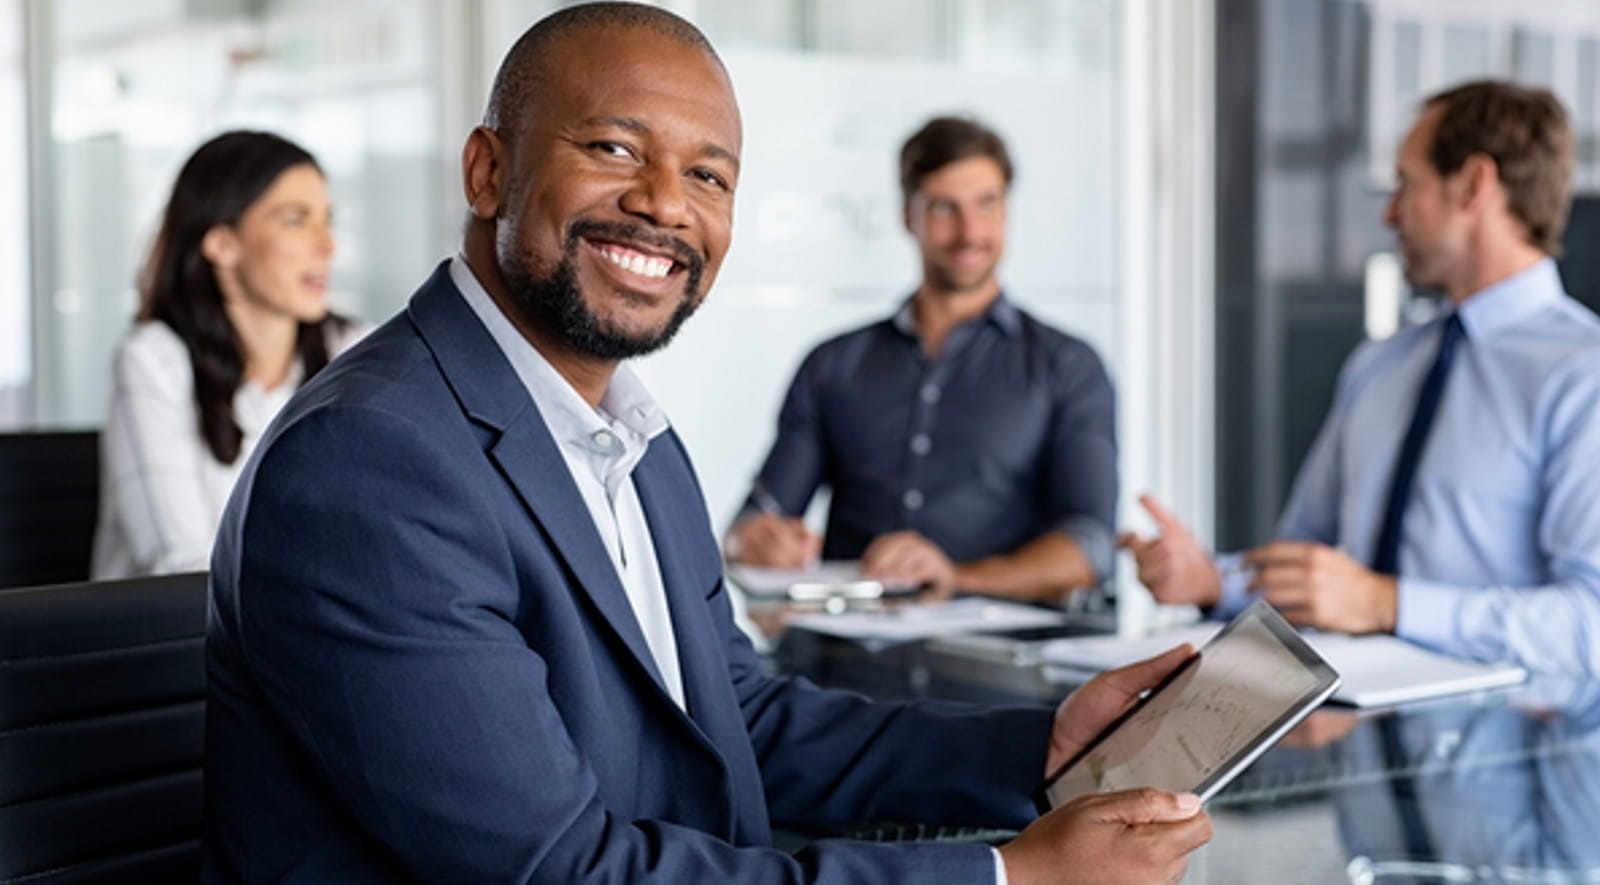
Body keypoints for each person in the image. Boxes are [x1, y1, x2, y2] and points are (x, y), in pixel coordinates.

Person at [203, 5, 1210, 882]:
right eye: (611, 149)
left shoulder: (629, 437)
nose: (666, 204)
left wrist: (1043, 749)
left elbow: (738, 721)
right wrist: (1004, 878)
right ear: (488, 169)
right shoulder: (372, 463)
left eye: (709, 176)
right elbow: (556, 871)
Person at [1122, 80, 1600, 677]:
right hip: (1352, 736)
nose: (1389, 212)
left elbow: (1590, 625)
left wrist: (1387, 604)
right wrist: (1210, 579)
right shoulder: (1381, 365)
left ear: (1475, 184)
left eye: (1407, 183)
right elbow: (1316, 570)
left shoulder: (1583, 373)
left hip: (1512, 752)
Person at [725, 117, 1117, 604]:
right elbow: (753, 519)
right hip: (843, 657)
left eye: (987, 204)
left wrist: (957, 576)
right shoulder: (832, 365)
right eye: (943, 207)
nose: (969, 231)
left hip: (1000, 663)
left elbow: (1091, 547)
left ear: (1007, 211)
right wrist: (755, 540)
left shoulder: (1068, 366)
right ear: (907, 216)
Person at [91, 130, 362, 579]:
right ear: (222, 244)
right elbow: (180, 569)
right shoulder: (154, 362)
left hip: (311, 635)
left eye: (327, 219)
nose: (328, 244)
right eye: (296, 220)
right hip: (173, 642)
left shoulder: (355, 349)